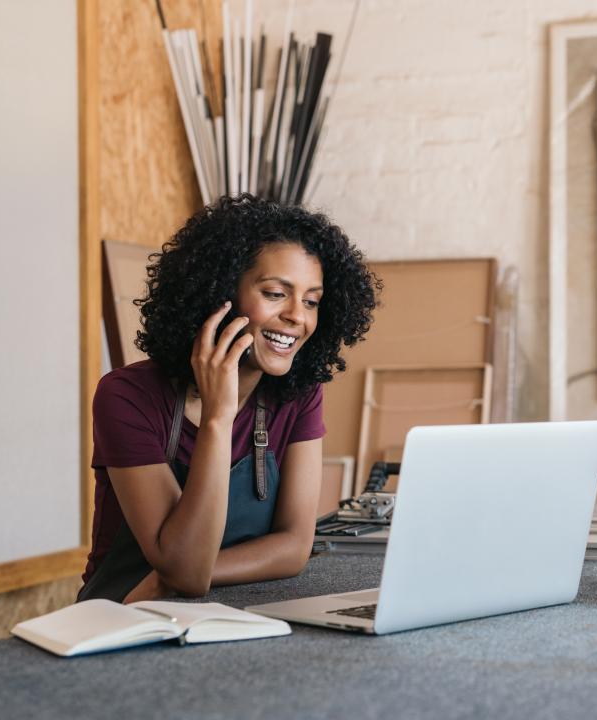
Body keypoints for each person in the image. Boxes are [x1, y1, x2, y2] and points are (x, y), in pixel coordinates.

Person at [78, 195, 380, 603]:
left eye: (311, 301)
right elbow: (184, 567)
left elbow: (293, 547)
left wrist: (183, 575)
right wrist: (219, 417)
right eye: (276, 293)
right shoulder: (128, 397)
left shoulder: (298, 394)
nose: (298, 316)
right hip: (125, 620)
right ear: (220, 294)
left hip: (229, 610)